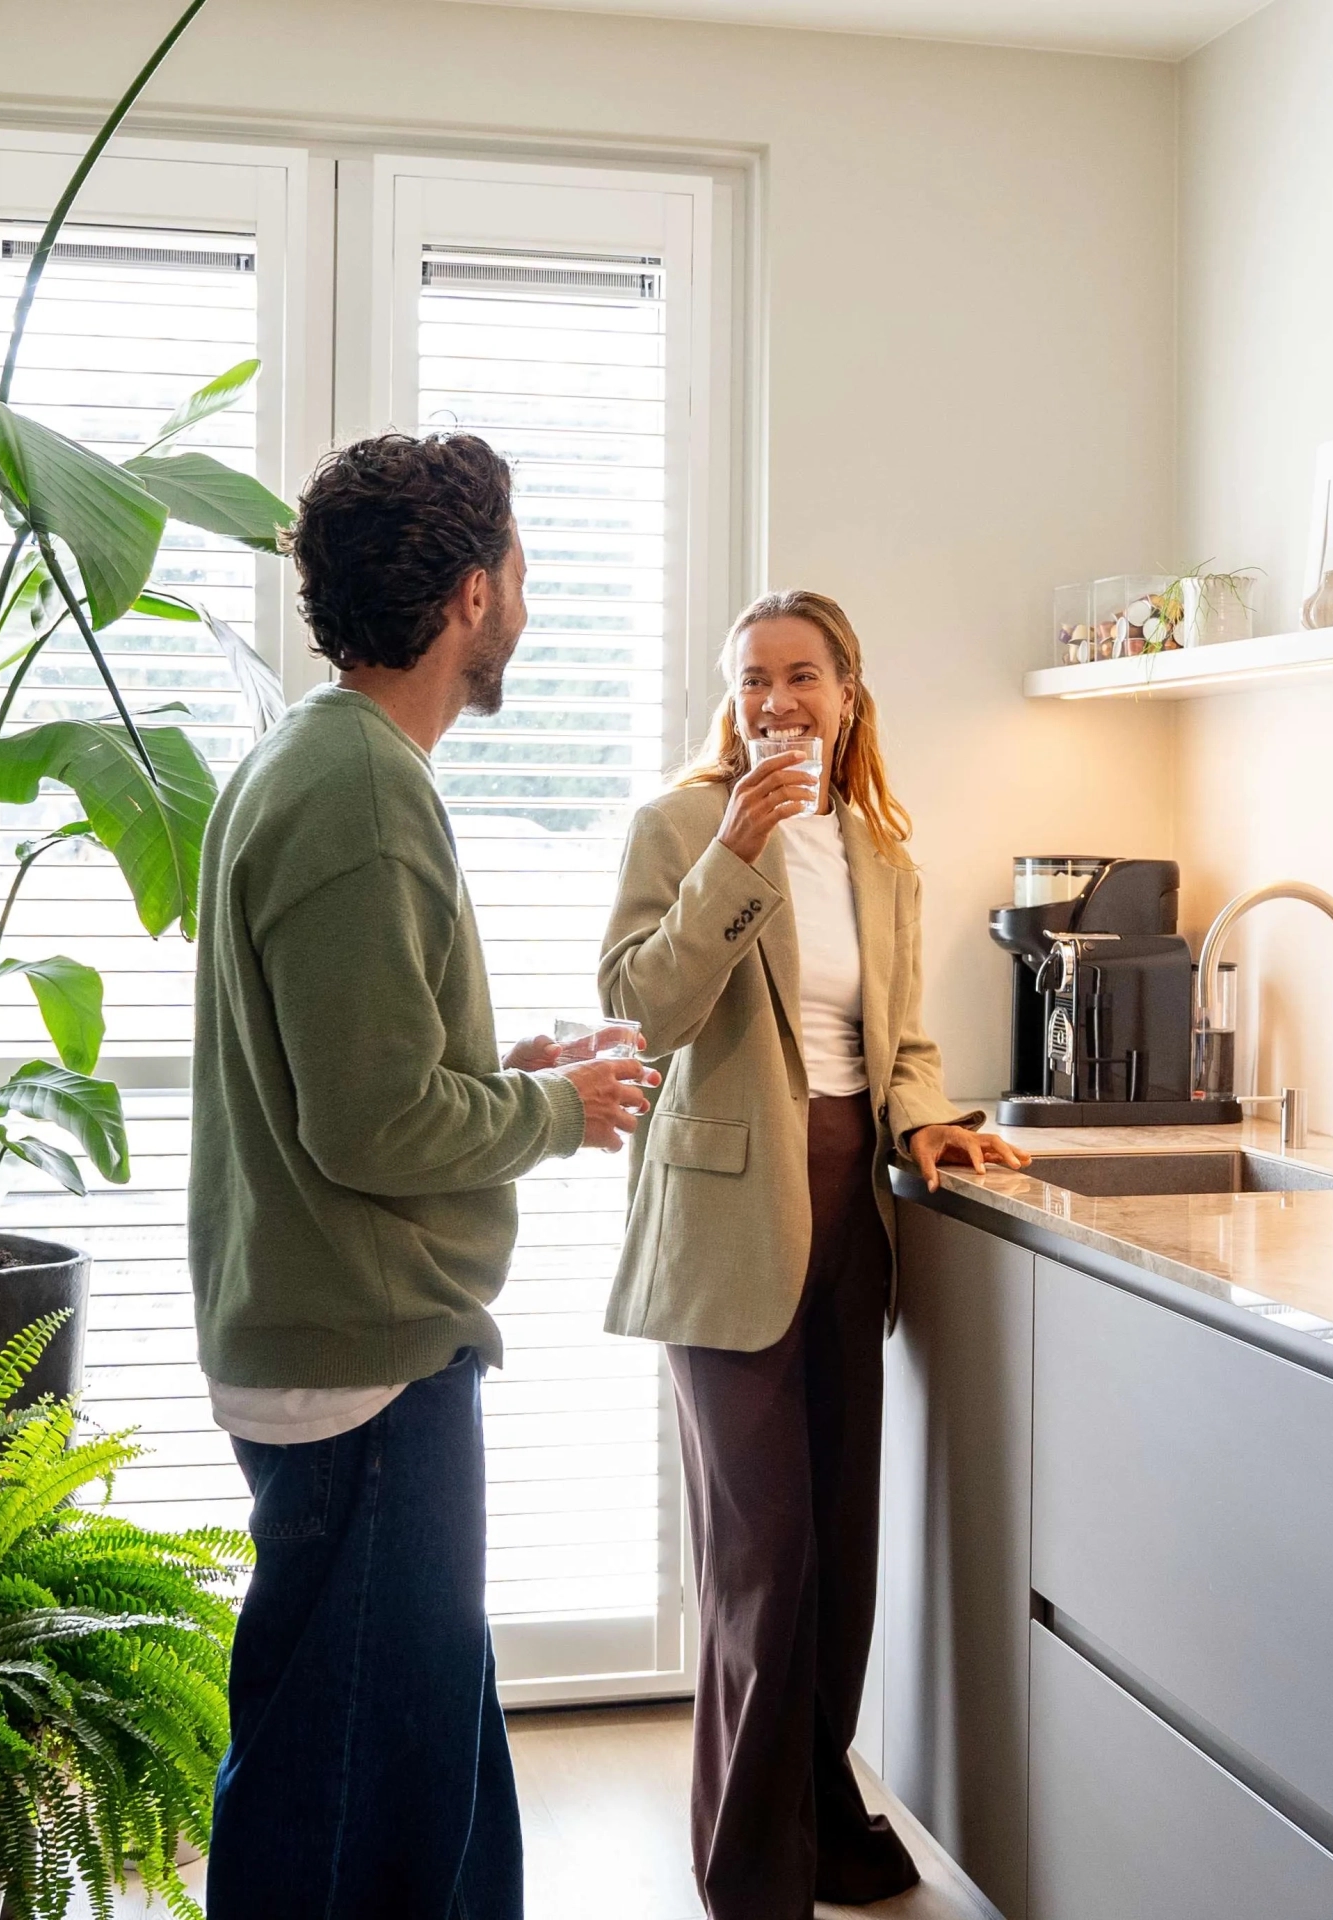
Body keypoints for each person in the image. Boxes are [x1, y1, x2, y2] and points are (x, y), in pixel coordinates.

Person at [188, 431, 654, 1918]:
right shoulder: (363, 793)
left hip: (352, 1343)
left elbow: (357, 1068)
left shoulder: (319, 761)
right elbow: (372, 1125)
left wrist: (508, 1070)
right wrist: (555, 1113)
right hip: (366, 1361)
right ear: (471, 596)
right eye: (520, 567)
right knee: (350, 1806)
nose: (528, 598)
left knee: (428, 1774)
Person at [597, 589, 1029, 1918]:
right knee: (764, 1560)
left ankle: (822, 1821)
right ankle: (749, 1873)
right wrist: (736, 849)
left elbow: (901, 1042)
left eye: (800, 676)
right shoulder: (682, 827)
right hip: (725, 1224)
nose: (774, 702)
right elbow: (641, 1010)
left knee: (840, 1554)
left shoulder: (882, 857)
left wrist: (928, 1122)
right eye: (751, 680)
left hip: (852, 1222)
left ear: (848, 695)